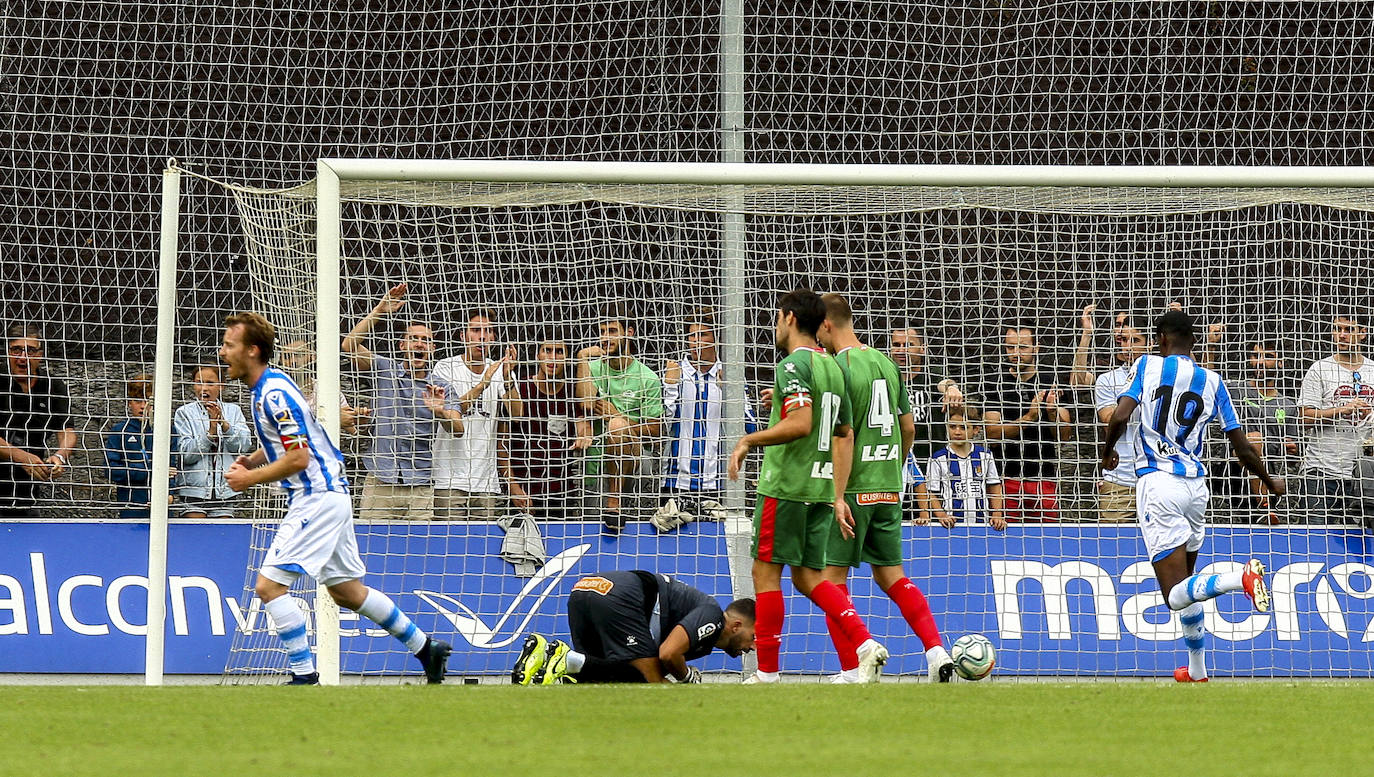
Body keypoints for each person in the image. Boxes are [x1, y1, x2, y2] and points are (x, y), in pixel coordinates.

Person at [218, 311, 451, 684]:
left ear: (252, 350)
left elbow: (299, 457)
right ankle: (427, 648)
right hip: (331, 495)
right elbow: (291, 440)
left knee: (269, 586)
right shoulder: (269, 385)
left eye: (230, 345)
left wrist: (249, 478)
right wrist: (255, 457)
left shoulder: (274, 394)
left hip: (317, 497)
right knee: (347, 591)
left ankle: (304, 676)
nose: (222, 351)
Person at [1100, 310, 1285, 683]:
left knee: (1173, 595)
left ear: (1160, 340)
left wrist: (1107, 454)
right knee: (1188, 586)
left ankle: (1240, 578)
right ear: (1194, 342)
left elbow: (1119, 416)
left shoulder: (1148, 366)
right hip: (1197, 489)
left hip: (1158, 484)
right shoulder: (1212, 380)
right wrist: (1269, 480)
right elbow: (1242, 447)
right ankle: (1198, 670)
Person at [727, 288, 888, 684]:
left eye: (777, 318)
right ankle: (864, 643)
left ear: (790, 319)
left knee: (765, 574)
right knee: (809, 578)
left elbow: (801, 424)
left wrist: (750, 439)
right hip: (818, 490)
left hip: (786, 486)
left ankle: (766, 674)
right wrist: (836, 494)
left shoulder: (792, 365)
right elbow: (844, 431)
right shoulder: (833, 366)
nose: (775, 326)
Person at [815, 294, 956, 683]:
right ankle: (935, 651)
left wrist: (838, 494)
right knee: (893, 575)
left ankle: (852, 669)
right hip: (890, 487)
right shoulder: (886, 363)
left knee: (830, 581)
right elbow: (908, 427)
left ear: (827, 325)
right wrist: (893, 464)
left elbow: (843, 434)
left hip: (853, 487)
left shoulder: (837, 367)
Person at [510, 570, 756, 684]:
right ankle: (565, 657)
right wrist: (687, 677)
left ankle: (544, 655)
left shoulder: (704, 639)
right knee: (647, 681)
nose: (753, 646)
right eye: (753, 636)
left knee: (596, 681)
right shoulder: (713, 616)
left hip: (585, 588)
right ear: (736, 625)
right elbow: (669, 653)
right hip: (620, 595)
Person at [342, 282, 456, 521]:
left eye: (425, 340)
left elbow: (458, 428)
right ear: (402, 346)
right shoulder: (385, 369)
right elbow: (348, 346)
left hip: (420, 485)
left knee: (421, 552)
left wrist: (440, 412)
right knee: (371, 546)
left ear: (432, 349)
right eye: (413, 339)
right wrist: (379, 312)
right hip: (380, 480)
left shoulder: (442, 387)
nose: (419, 344)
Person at [658, 311, 758, 525]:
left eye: (702, 335)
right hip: (676, 483)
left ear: (716, 339)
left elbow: (751, 427)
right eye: (692, 336)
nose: (696, 342)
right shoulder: (674, 373)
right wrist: (670, 387)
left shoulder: (731, 375)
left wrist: (731, 392)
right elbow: (662, 426)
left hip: (718, 485)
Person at [576, 309, 665, 532]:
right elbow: (586, 404)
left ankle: (614, 500)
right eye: (603, 332)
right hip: (597, 463)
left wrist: (619, 418)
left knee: (617, 425)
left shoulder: (647, 377)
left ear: (630, 333)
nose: (606, 337)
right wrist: (582, 357)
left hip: (634, 465)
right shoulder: (592, 368)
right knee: (593, 536)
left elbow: (656, 429)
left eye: (613, 331)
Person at [430, 308, 518, 520]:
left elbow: (517, 414)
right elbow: (450, 411)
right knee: (448, 547)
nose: (482, 336)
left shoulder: (500, 369)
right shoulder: (445, 368)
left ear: (494, 337)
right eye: (476, 330)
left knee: (483, 549)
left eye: (488, 331)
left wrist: (507, 379)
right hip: (448, 479)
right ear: (463, 336)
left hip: (486, 481)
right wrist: (483, 384)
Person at [981, 323, 1074, 522]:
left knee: (1048, 544)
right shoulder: (994, 381)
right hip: (1004, 479)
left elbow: (1064, 437)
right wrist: (1029, 418)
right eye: (1010, 347)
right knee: (1006, 546)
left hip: (1043, 479)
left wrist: (1051, 412)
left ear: (1036, 348)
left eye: (1022, 347)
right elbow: (992, 435)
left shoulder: (1052, 379)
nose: (1016, 353)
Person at [1072, 308, 1153, 522]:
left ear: (1150, 343)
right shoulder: (1107, 379)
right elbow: (1109, 421)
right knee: (1115, 548)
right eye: (1123, 340)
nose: (1127, 346)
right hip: (1119, 480)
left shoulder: (1164, 376)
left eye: (1134, 340)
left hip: (1158, 480)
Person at [1296, 312, 1372, 523]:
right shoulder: (1319, 369)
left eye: (1349, 330)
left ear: (1363, 333)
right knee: (1314, 540)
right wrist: (1342, 410)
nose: (1341, 335)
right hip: (1321, 471)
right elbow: (1304, 418)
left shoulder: (1373, 370)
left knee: (1360, 544)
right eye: (1337, 329)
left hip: (1363, 474)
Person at [504, 336, 591, 519]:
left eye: (559, 352)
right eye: (547, 350)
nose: (553, 357)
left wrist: (584, 435)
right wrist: (513, 487)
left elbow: (583, 425)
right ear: (538, 355)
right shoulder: (520, 387)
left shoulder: (571, 391)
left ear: (567, 358)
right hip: (523, 491)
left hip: (561, 493)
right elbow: (502, 442)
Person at [0, 324, 76, 518]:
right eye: (16, 349)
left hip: (26, 493)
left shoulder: (53, 386)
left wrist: (60, 456)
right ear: (7, 352)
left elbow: (66, 429)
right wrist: (20, 456)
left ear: (40, 355)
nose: (23, 357)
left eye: (30, 350)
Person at [891, 326, 964, 522]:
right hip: (896, 471)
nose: (901, 350)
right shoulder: (887, 379)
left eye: (908, 345)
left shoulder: (932, 376)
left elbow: (945, 382)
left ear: (922, 349)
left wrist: (952, 389)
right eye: (896, 345)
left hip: (934, 472)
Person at [1231, 339, 1301, 522]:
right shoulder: (1236, 389)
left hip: (1271, 469)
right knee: (1254, 439)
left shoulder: (1288, 405)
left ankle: (1269, 504)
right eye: (1256, 356)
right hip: (1235, 468)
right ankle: (1265, 507)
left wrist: (1292, 449)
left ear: (1280, 363)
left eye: (1268, 357)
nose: (1260, 362)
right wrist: (1211, 346)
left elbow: (1293, 456)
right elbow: (1203, 379)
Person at [174, 365, 254, 519]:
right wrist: (210, 433)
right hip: (193, 492)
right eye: (199, 382)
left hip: (224, 492)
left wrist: (224, 425)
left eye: (210, 383)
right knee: (194, 537)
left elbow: (243, 446)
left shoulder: (233, 411)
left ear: (221, 386)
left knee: (222, 537)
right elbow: (186, 455)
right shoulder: (184, 413)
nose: (204, 388)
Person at [104, 374, 177, 519]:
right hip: (131, 507)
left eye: (148, 401)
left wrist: (170, 495)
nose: (143, 406)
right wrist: (152, 471)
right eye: (137, 400)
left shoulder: (167, 430)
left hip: (163, 508)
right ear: (129, 403)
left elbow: (173, 467)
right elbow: (110, 470)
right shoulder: (120, 431)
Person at [925, 409, 1007, 529]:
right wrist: (941, 515)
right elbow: (931, 492)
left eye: (963, 427)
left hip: (981, 525)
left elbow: (994, 486)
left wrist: (997, 513)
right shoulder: (938, 458)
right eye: (953, 427)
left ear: (975, 430)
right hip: (950, 525)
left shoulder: (985, 455)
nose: (957, 432)